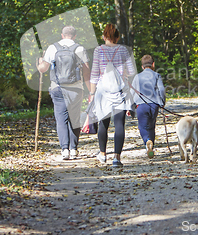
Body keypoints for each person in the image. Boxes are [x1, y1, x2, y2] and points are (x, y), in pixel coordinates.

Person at [37, 26, 91, 160]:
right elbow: (86, 72)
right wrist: (91, 90)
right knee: (74, 119)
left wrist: (39, 62)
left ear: (62, 35)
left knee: (61, 119)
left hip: (58, 88)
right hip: (76, 89)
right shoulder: (79, 48)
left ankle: (64, 150)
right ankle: (73, 149)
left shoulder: (52, 48)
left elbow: (43, 69)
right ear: (74, 36)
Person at [89, 24, 136, 167]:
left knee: (103, 123)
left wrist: (91, 93)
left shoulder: (99, 50)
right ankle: (117, 158)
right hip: (120, 91)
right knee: (119, 124)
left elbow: (94, 73)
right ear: (117, 37)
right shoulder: (123, 50)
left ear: (104, 36)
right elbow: (132, 71)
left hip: (103, 91)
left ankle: (103, 154)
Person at [131, 54, 166, 159]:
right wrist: (162, 103)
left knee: (142, 126)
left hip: (141, 105)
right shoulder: (157, 75)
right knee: (151, 126)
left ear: (142, 66)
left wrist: (131, 106)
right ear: (153, 64)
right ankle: (151, 147)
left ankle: (147, 141)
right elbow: (162, 90)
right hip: (154, 105)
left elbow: (133, 92)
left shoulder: (137, 77)